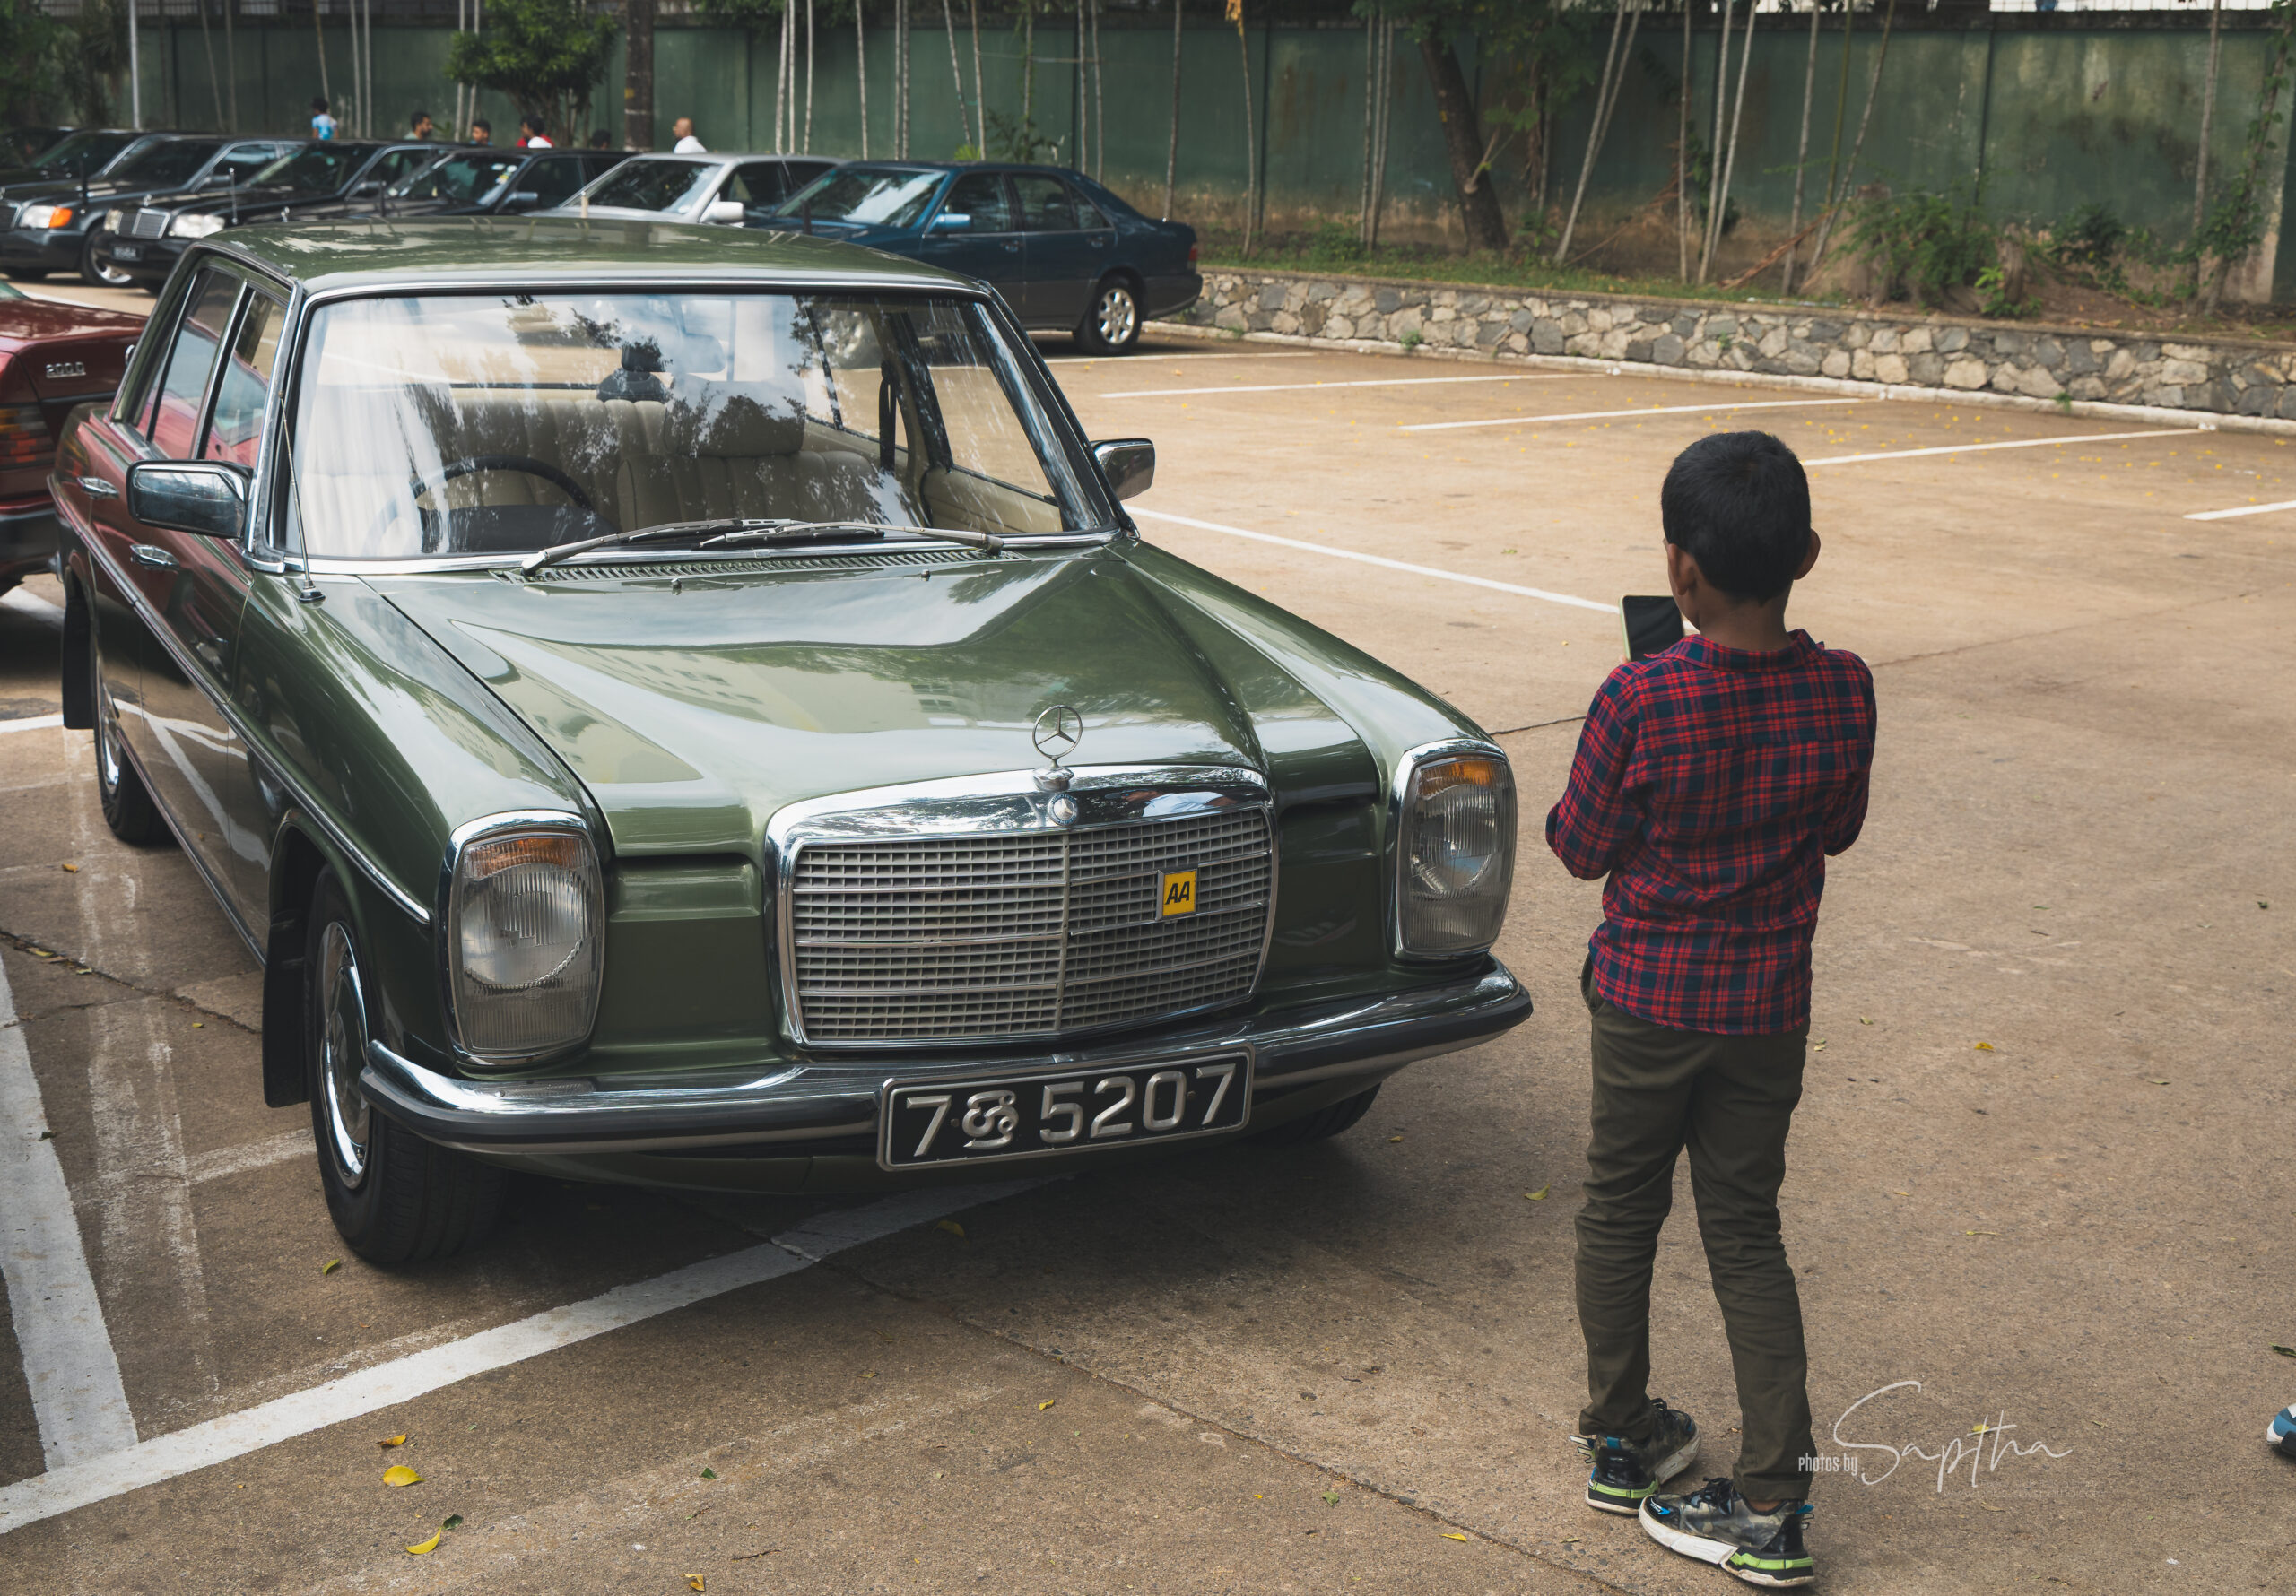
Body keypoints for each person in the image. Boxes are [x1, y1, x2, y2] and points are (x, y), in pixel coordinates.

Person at [1548, 430, 1874, 1590]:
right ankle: (1775, 1502)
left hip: (1646, 1003)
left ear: (1679, 571)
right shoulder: (1845, 687)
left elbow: (1580, 846)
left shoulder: (1640, 696)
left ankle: (1621, 1435)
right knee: (1745, 1233)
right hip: (1766, 1011)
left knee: (1618, 1211)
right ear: (1807, 556)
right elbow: (1839, 828)